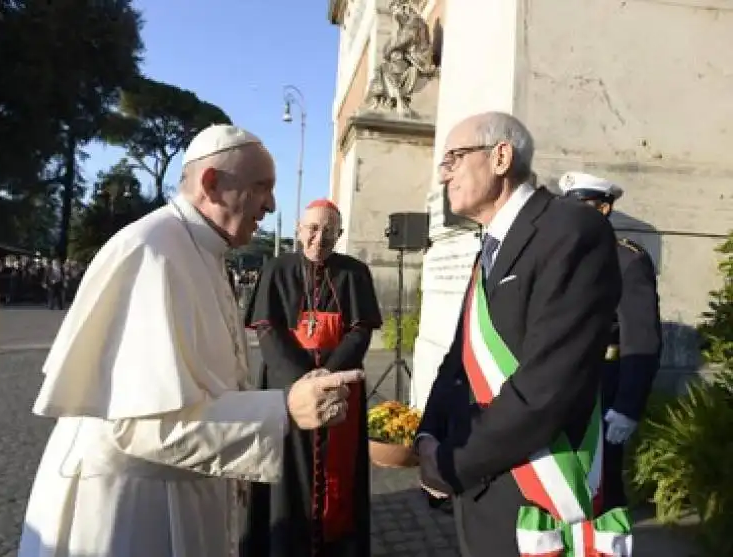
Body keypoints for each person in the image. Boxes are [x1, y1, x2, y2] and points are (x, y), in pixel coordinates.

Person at [18, 125, 364, 557]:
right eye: (262, 188)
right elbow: (137, 425)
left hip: (187, 490)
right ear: (211, 184)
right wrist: (284, 408)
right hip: (133, 510)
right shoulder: (151, 251)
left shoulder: (204, 248)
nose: (272, 204)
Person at [415, 112, 628, 557]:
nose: (444, 174)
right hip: (479, 487)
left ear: (501, 157)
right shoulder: (489, 244)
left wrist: (454, 464)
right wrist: (427, 437)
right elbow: (458, 358)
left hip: (537, 489)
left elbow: (546, 388)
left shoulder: (572, 230)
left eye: (453, 158)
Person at [242, 199, 382, 557]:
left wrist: (328, 376)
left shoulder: (354, 273)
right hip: (285, 390)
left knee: (341, 478)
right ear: (298, 231)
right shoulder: (276, 269)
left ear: (340, 234)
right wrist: (300, 382)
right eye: (313, 229)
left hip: (338, 390)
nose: (320, 238)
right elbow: (267, 329)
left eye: (329, 231)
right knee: (284, 477)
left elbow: (361, 329)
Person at [560, 171, 663, 508]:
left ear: (604, 209)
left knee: (601, 481)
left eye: (583, 207)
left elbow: (642, 339)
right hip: (560, 382)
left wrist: (627, 407)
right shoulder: (560, 256)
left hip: (604, 386)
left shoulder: (627, 260)